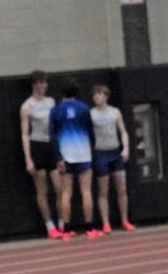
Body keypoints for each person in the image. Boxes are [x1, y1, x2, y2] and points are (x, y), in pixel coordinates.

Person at [50, 81, 102, 240]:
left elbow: (52, 136)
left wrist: (58, 157)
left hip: (65, 155)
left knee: (66, 193)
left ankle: (66, 229)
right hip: (83, 154)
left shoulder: (56, 110)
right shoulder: (84, 109)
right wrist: (91, 147)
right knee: (86, 191)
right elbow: (91, 131)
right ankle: (89, 228)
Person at [20, 71, 63, 239]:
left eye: (46, 83)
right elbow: (24, 134)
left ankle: (61, 223)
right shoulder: (27, 106)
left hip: (51, 146)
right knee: (42, 190)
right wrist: (28, 159)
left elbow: (58, 127)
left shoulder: (51, 102)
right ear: (34, 84)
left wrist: (61, 155)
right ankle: (49, 225)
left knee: (59, 188)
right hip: (37, 146)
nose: (44, 86)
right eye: (41, 83)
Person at [90, 84, 136, 233]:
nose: (96, 96)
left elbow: (123, 132)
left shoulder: (115, 112)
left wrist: (126, 149)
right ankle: (106, 223)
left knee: (121, 188)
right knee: (103, 190)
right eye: (94, 94)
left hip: (115, 152)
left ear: (106, 96)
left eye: (99, 94)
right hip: (100, 153)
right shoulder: (91, 114)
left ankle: (124, 220)